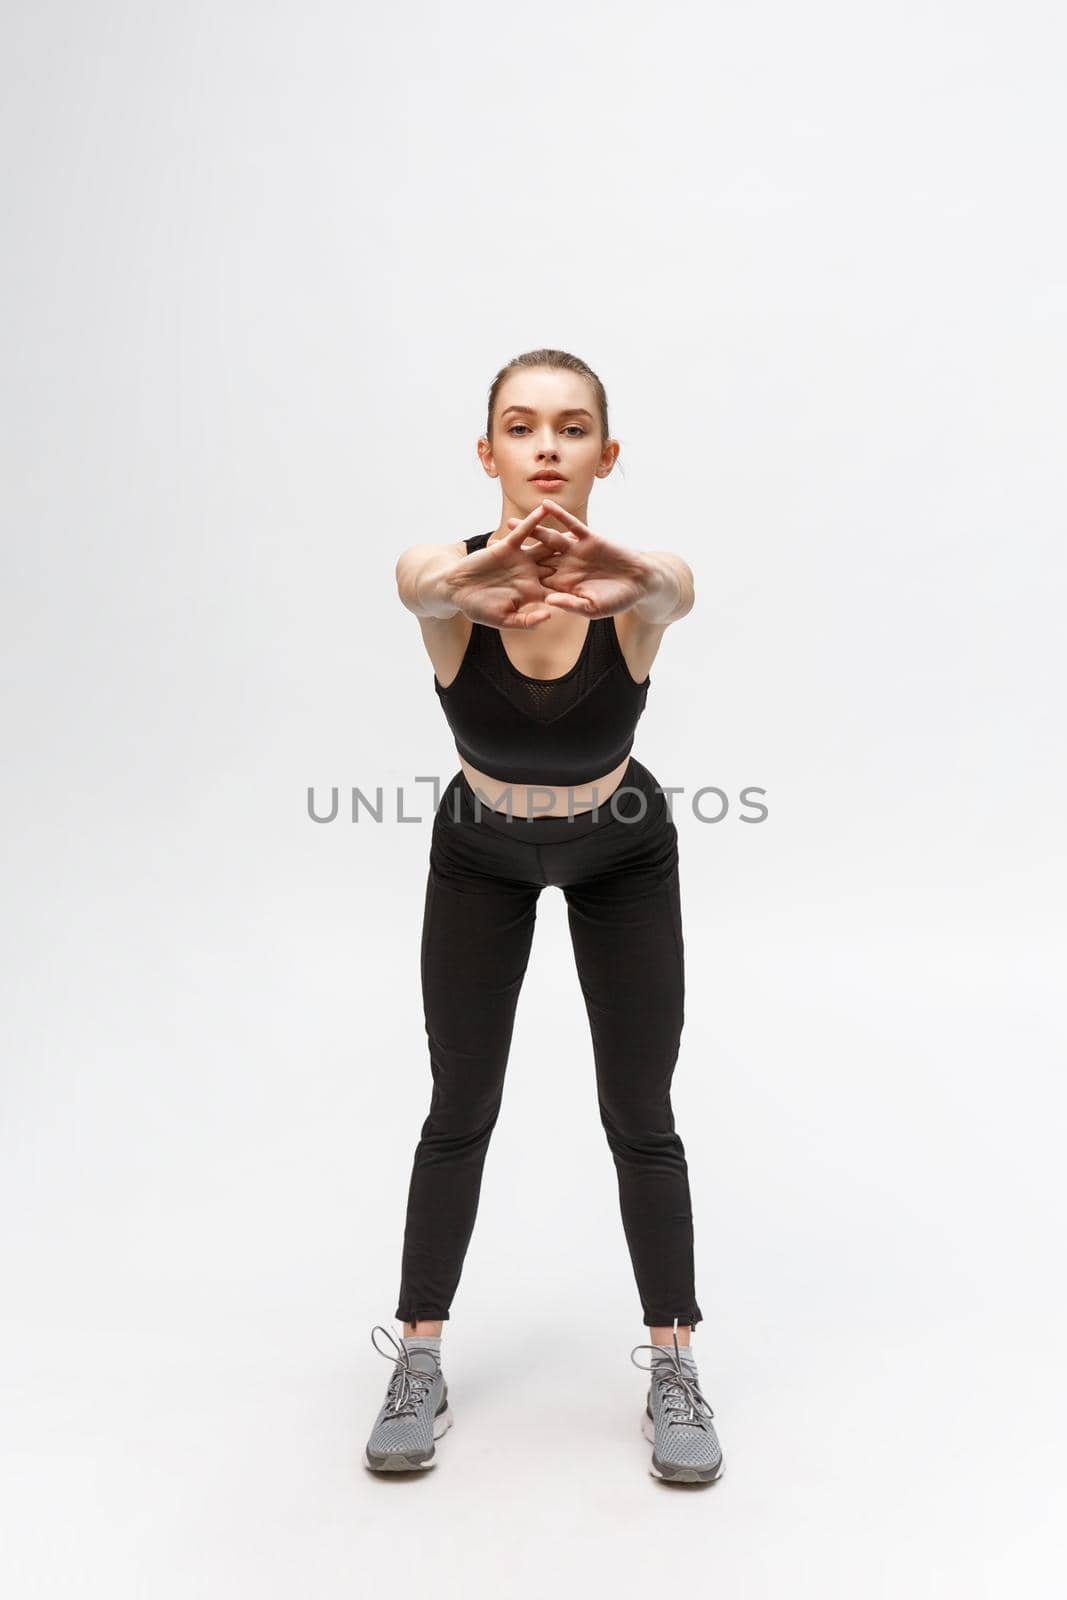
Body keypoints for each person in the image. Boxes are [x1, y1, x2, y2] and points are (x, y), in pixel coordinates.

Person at [362, 350, 724, 1484]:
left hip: (622, 852)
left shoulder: (631, 591)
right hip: (480, 856)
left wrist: (642, 577)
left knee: (639, 1110)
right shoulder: (448, 578)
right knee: (459, 1105)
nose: (547, 448)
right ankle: (416, 1355)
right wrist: (453, 589)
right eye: (521, 428)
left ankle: (673, 1361)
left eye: (572, 429)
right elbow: (417, 581)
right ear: (488, 454)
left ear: (604, 455)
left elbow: (673, 583)